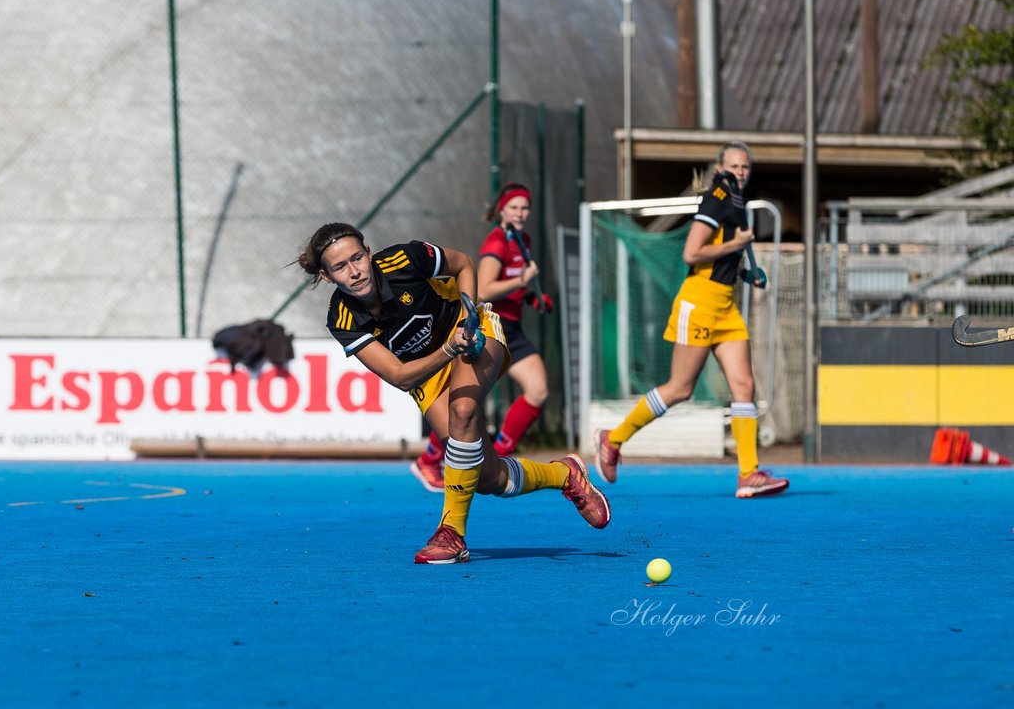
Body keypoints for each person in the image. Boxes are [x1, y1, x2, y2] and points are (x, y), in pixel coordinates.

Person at [297, 221, 610, 564]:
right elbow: (400, 376)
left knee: (462, 410)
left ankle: (451, 534)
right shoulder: (342, 318)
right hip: (426, 371)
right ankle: (566, 474)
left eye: (357, 258)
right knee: (489, 478)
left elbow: (463, 264)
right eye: (340, 267)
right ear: (327, 277)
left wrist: (467, 317)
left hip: (472, 335)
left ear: (369, 253)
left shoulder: (405, 258)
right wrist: (447, 350)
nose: (355, 271)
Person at [594, 140, 788, 499]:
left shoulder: (735, 201)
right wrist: (736, 244)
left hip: (725, 304)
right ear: (720, 168)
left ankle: (748, 474)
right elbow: (692, 252)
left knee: (744, 386)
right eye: (734, 166)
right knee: (680, 388)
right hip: (698, 302)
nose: (740, 173)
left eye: (745, 167)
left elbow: (722, 258)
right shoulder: (716, 197)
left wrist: (746, 274)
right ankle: (613, 438)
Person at [410, 182, 554, 491]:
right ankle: (429, 460)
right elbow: (486, 288)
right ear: (501, 209)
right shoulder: (497, 243)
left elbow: (513, 286)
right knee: (465, 401)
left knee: (538, 391)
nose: (521, 213)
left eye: (525, 207)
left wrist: (531, 299)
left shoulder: (522, 240)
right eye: (514, 207)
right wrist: (521, 281)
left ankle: (500, 455)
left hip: (514, 329)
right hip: (492, 327)